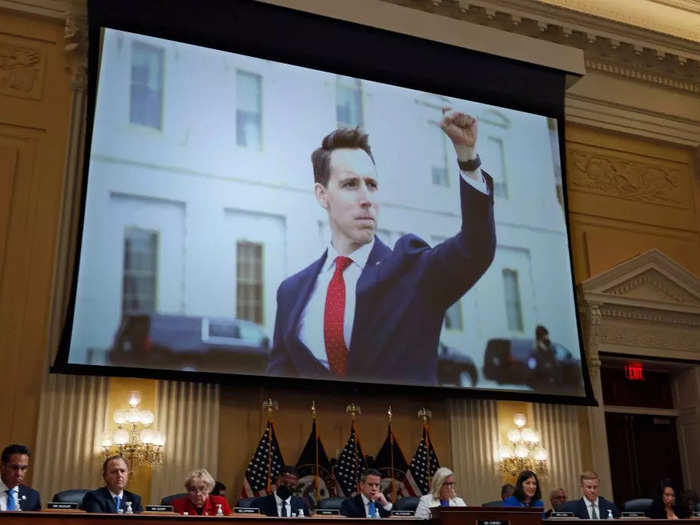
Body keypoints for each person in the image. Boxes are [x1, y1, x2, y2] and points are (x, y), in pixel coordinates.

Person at [267, 109, 496, 385]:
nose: (366, 199)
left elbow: (476, 248)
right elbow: (278, 379)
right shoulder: (291, 292)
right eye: (350, 184)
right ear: (322, 195)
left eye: (372, 185)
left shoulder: (412, 270)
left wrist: (467, 159)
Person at [0, 444, 40, 511]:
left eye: (23, 468)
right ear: (3, 467)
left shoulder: (32, 497)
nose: (19, 473)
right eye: (14, 468)